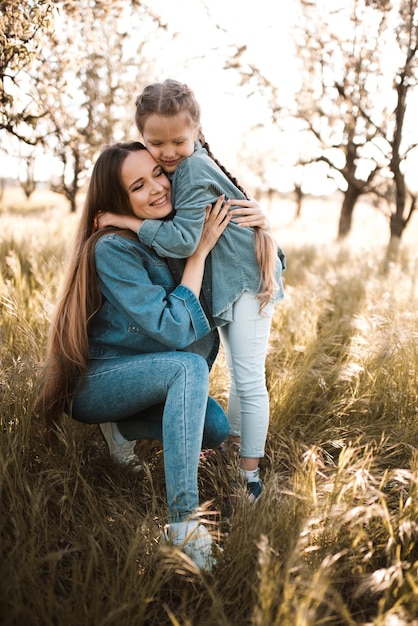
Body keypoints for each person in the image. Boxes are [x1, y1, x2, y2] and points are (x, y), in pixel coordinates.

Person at [34, 141, 239, 571]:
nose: (158, 188)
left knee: (214, 428)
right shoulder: (113, 248)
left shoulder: (162, 236)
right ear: (119, 200)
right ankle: (184, 529)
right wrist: (199, 252)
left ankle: (122, 431)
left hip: (142, 378)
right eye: (138, 185)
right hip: (96, 384)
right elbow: (172, 328)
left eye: (158, 174)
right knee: (187, 367)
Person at [99, 79, 286, 502]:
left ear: (197, 130)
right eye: (156, 142)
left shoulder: (194, 168)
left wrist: (128, 222)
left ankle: (248, 477)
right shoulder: (180, 167)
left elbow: (185, 240)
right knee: (241, 377)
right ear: (142, 137)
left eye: (177, 141)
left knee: (249, 377)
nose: (166, 152)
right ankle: (237, 457)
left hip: (246, 280)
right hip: (232, 279)